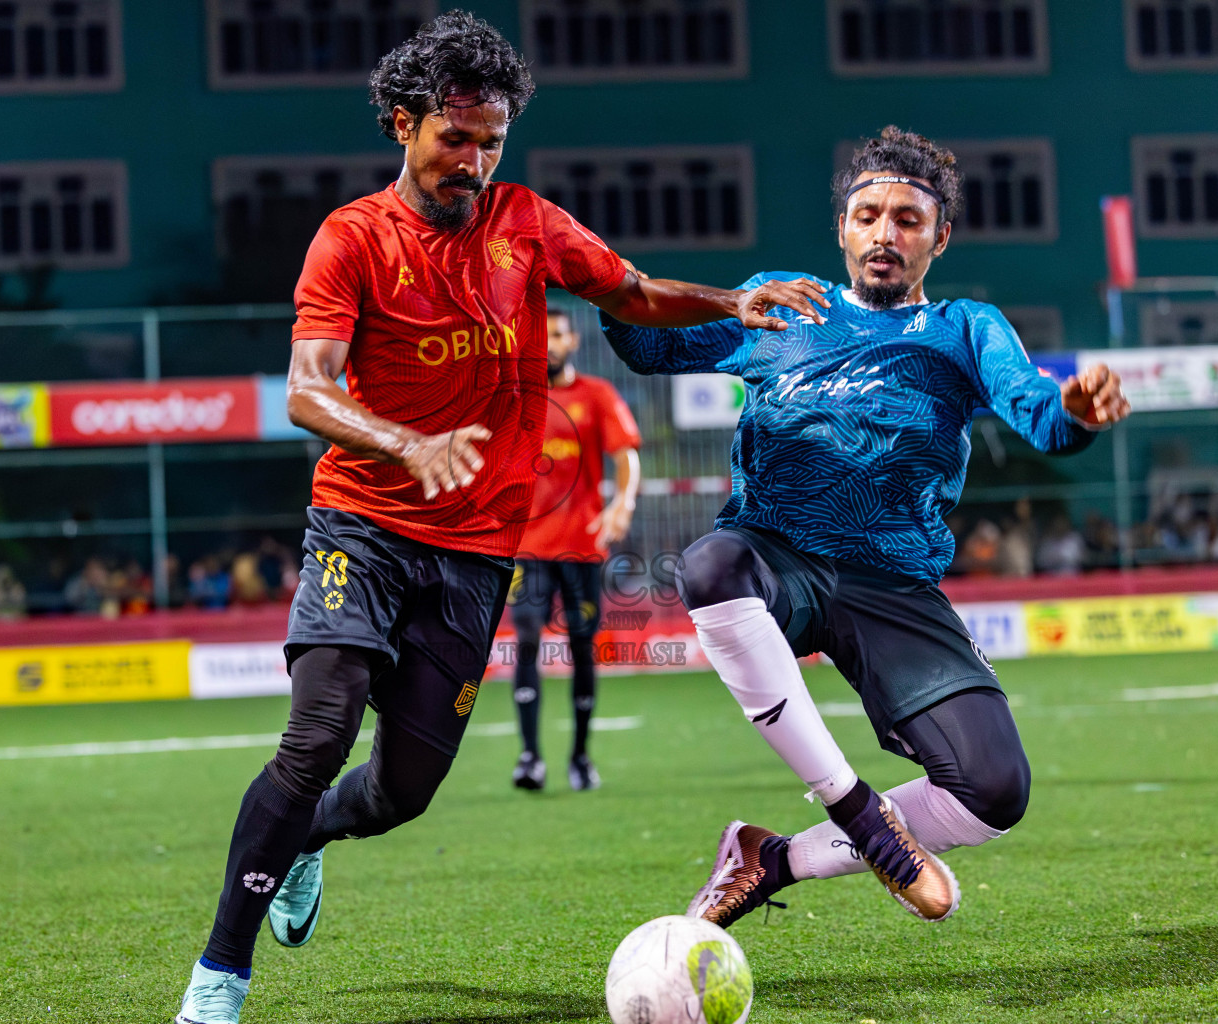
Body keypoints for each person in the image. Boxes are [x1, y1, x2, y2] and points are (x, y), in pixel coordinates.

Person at [173, 13, 832, 1023]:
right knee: (317, 736)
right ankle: (220, 976)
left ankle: (307, 836)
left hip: (479, 554)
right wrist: (406, 442)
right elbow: (307, 391)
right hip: (363, 525)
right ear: (404, 124)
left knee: (399, 792)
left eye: (491, 141)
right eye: (455, 138)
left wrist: (730, 300)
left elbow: (637, 291)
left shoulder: (527, 222)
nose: (473, 161)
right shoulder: (351, 237)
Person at [599, 126, 1131, 930]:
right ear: (843, 229)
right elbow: (645, 345)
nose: (886, 233)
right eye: (869, 214)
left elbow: (1040, 417)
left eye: (908, 220)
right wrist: (600, 280)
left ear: (939, 237)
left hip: (892, 580)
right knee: (710, 565)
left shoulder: (965, 327)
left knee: (993, 791)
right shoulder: (784, 301)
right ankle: (856, 813)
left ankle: (772, 857)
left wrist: (1077, 412)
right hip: (777, 554)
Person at [508, 308, 642, 792]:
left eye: (558, 334)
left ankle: (581, 757)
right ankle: (529, 758)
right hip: (524, 546)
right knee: (525, 636)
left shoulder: (596, 395)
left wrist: (622, 505)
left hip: (582, 547)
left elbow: (626, 455)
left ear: (573, 341)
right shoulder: (516, 398)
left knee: (582, 645)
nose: (549, 343)